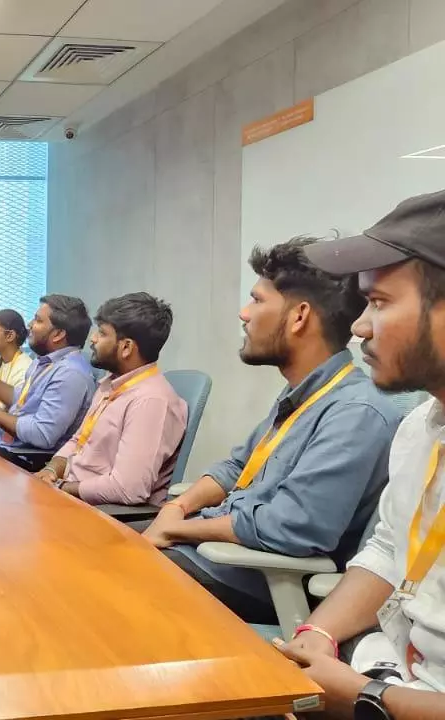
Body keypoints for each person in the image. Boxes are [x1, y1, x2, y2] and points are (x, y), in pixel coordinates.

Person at [136, 239, 399, 625]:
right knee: (94, 544)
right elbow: (235, 468)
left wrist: (181, 529)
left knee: (102, 576)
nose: (244, 313)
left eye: (257, 300)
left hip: (257, 578)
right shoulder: (302, 395)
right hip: (216, 554)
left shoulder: (355, 412)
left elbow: (292, 525)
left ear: (299, 317)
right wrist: (176, 508)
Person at [257, 190, 445, 718]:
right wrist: (318, 633)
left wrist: (366, 697)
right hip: (389, 668)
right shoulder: (421, 427)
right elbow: (389, 549)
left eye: (379, 302)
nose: (359, 327)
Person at [35, 292, 187, 506]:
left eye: (102, 333)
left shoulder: (150, 401)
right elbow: (78, 441)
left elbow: (127, 489)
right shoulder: (110, 385)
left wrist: (61, 488)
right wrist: (51, 470)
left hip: (98, 510)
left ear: (126, 347)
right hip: (71, 494)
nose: (93, 339)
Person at [0, 298, 95, 452]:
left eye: (38, 320)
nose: (30, 324)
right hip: (3, 443)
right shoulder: (44, 362)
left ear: (58, 334)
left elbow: (42, 435)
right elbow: (17, 397)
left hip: (27, 457)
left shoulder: (70, 373)